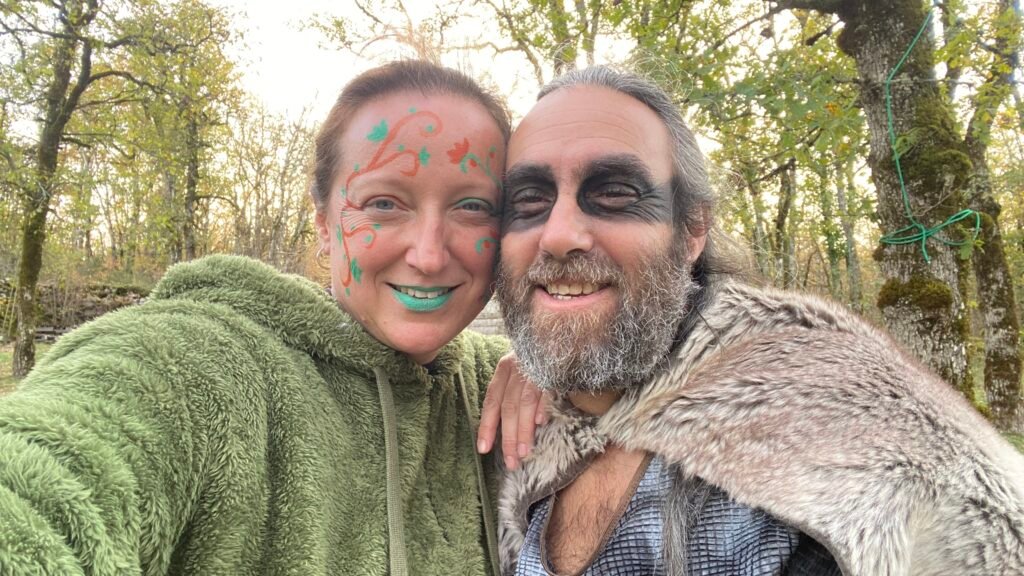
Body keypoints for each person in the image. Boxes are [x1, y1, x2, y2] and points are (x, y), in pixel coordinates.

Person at [489, 66, 1024, 576]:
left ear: (692, 230)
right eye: (529, 199)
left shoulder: (844, 434)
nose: (558, 235)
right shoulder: (520, 431)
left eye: (614, 193)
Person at [0, 61, 513, 575]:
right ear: (323, 223)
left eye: (472, 207)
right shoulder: (192, 362)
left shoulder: (503, 385)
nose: (429, 255)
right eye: (384, 203)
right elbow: (39, 481)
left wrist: (548, 369)